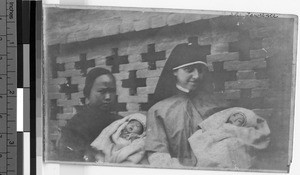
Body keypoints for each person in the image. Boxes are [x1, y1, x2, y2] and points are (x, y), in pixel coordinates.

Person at [145, 43, 229, 167]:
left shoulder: (217, 106)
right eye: (189, 70)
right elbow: (157, 154)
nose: (196, 76)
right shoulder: (158, 111)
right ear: (175, 72)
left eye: (200, 70)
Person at [56, 67, 122, 162]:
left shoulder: (120, 121)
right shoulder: (77, 124)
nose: (108, 97)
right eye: (102, 91)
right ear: (88, 93)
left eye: (112, 91)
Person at [188, 107, 271, 169]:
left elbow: (235, 131)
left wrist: (230, 129)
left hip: (223, 136)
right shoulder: (223, 120)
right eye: (234, 115)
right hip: (214, 133)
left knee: (221, 150)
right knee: (198, 138)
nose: (234, 119)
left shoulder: (236, 128)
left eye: (239, 121)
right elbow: (214, 123)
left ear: (243, 126)